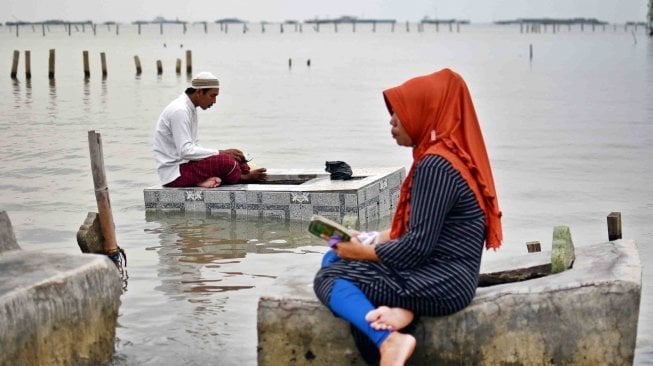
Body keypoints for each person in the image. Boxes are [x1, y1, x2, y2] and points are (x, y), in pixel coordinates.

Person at [313, 68, 503, 365]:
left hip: (442, 282)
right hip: (445, 274)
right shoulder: (445, 157)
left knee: (330, 275)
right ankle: (404, 313)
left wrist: (361, 251)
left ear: (424, 111)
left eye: (399, 111)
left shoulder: (436, 167)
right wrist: (369, 239)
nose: (391, 120)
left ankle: (390, 340)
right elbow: (421, 232)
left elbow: (416, 247)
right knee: (334, 259)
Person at [153, 71, 267, 188]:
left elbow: (194, 146)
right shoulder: (180, 111)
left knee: (235, 156)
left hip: (185, 165)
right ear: (199, 92)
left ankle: (236, 172)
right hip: (174, 174)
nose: (214, 101)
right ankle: (243, 178)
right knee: (227, 162)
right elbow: (185, 151)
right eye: (212, 96)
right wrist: (220, 153)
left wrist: (222, 153)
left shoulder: (190, 108)